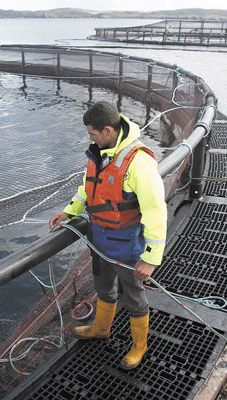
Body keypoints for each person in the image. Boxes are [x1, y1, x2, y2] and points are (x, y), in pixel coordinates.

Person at [49, 101, 167, 370]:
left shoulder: (139, 161)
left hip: (127, 245)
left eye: (92, 133)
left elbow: (156, 211)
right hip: (99, 241)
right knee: (103, 289)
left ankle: (139, 346)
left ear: (107, 130)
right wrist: (69, 212)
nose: (89, 138)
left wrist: (150, 258)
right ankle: (100, 328)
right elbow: (87, 188)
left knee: (134, 297)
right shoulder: (100, 153)